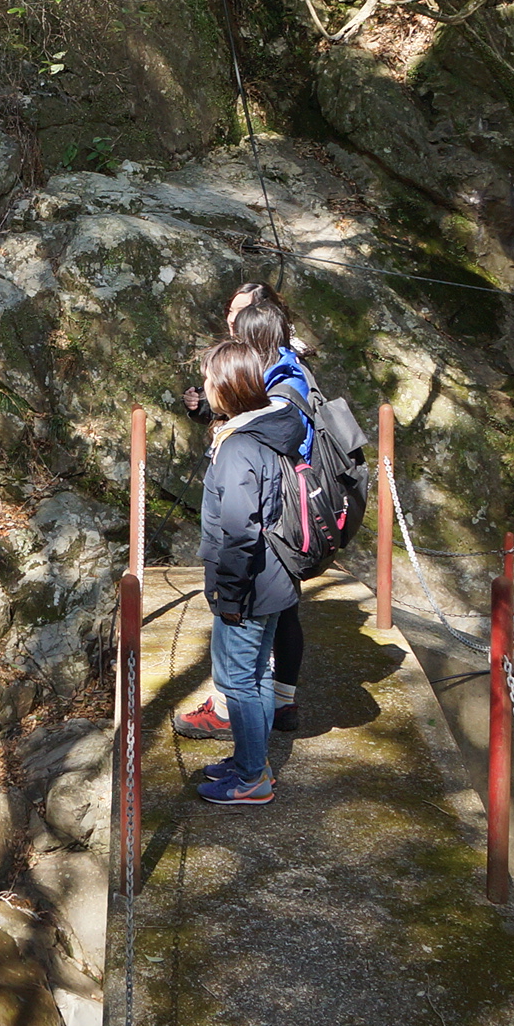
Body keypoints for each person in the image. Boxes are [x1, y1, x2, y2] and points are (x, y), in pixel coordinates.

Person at [176, 283, 312, 739]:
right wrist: (209, 413)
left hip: (279, 522)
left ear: (260, 322)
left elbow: (238, 526)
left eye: (238, 315)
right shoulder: (270, 370)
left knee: (249, 654)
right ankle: (268, 713)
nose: (230, 321)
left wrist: (227, 596)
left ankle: (246, 731)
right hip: (277, 516)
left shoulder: (283, 379)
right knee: (272, 625)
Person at [190, 338, 303, 806]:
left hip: (249, 586)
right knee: (255, 676)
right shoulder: (267, 431)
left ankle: (252, 776)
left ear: (226, 385)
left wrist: (229, 597)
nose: (203, 386)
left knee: (237, 679)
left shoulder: (238, 447)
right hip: (275, 578)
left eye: (207, 378)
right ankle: (250, 761)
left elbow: (238, 530)